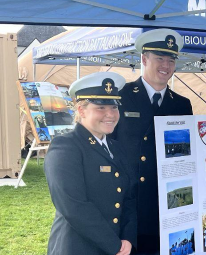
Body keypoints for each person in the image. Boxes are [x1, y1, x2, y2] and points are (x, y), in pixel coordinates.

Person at [111, 28, 193, 255]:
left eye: (171, 60)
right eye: (159, 58)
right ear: (144, 59)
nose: (165, 65)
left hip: (169, 205)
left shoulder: (182, 105)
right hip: (132, 207)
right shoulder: (121, 97)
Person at [44, 72, 136, 255]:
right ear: (81, 110)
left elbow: (129, 197)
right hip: (78, 247)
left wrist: (127, 238)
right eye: (100, 108)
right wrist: (114, 245)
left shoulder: (116, 148)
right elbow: (73, 205)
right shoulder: (66, 146)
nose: (110, 114)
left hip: (117, 246)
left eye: (113, 107)